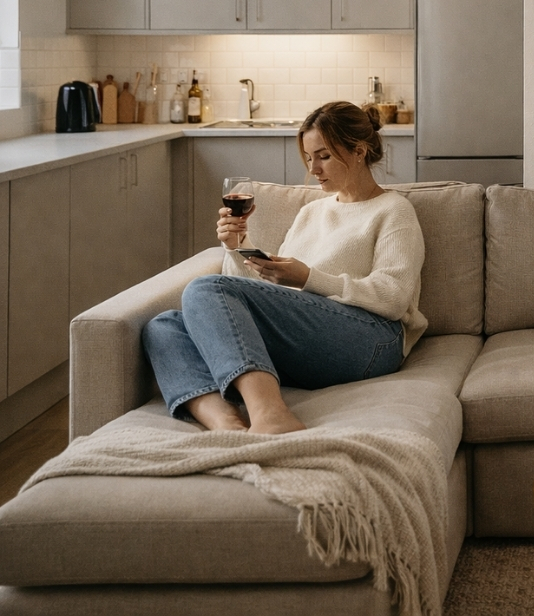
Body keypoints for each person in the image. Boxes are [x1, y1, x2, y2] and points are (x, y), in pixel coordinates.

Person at [142, 102, 427, 434]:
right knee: (163, 326)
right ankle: (225, 421)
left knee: (205, 288)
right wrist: (238, 247)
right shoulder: (311, 212)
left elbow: (393, 298)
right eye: (309, 158)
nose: (313, 168)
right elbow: (255, 297)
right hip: (307, 339)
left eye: (323, 156)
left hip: (372, 340)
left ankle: (271, 412)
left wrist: (308, 277)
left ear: (359, 151)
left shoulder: (394, 210)